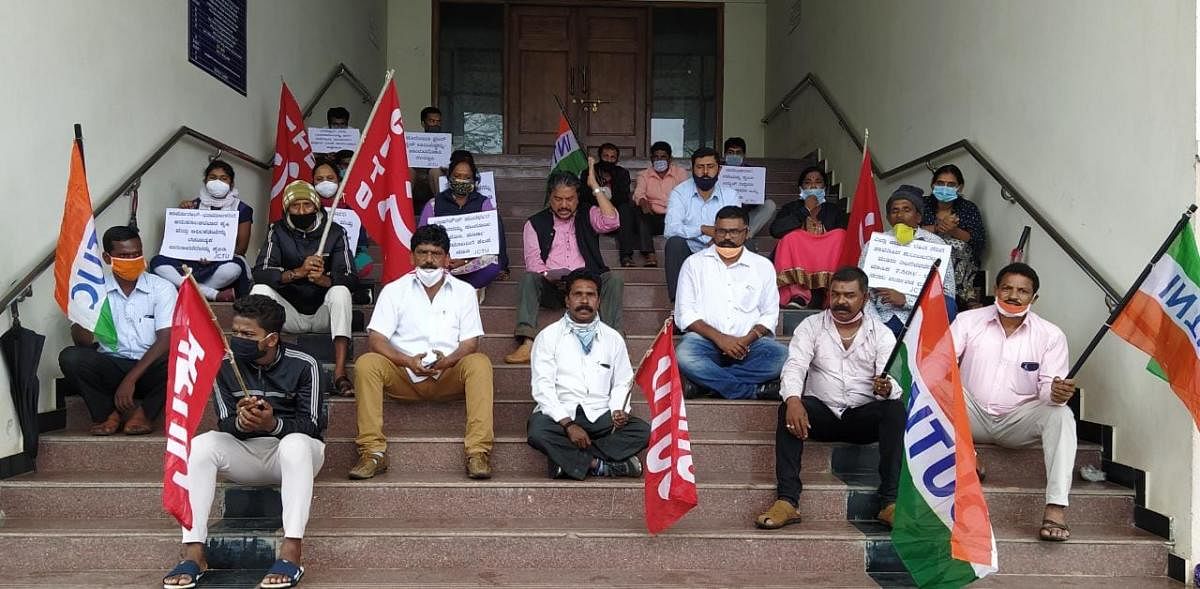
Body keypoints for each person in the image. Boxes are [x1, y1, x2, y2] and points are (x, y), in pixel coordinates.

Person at [161, 295, 326, 589]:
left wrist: (273, 424)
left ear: (272, 339)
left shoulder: (304, 364)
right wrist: (243, 422)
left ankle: (291, 552)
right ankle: (194, 551)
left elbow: (312, 425)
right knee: (201, 444)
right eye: (235, 332)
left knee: (296, 443)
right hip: (246, 453)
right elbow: (225, 422)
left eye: (248, 335)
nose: (239, 339)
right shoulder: (223, 364)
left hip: (292, 454)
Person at [755, 267, 904, 530]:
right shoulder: (811, 326)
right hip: (820, 416)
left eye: (849, 295)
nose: (841, 301)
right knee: (787, 407)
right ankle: (788, 501)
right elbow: (795, 366)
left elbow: (892, 380)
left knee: (893, 409)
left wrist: (886, 388)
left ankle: (890, 503)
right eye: (835, 294)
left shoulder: (881, 333)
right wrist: (792, 399)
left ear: (865, 299)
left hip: (862, 417)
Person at [350, 224, 495, 480]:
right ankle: (372, 452)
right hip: (403, 376)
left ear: (447, 259)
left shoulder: (465, 292)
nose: (429, 260)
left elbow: (470, 343)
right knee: (366, 363)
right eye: (422, 252)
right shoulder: (394, 290)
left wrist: (448, 361)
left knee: (480, 363)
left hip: (448, 375)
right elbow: (377, 338)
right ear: (411, 256)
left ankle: (478, 452)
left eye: (436, 253)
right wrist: (406, 360)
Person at [952, 263, 1077, 542]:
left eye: (1023, 291)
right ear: (995, 290)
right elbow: (941, 363)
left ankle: (1056, 507)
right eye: (1007, 288)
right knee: (941, 386)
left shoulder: (1051, 335)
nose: (1013, 295)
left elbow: (1047, 391)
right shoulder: (968, 321)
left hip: (1016, 422)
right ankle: (968, 456)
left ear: (1034, 299)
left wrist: (1055, 393)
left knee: (1062, 415)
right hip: (969, 417)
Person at [526, 269, 650, 479]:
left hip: (601, 415)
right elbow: (542, 388)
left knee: (643, 431)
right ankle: (599, 465)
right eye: (578, 294)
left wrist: (618, 410)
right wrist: (569, 425)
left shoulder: (613, 339)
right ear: (567, 300)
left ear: (599, 300)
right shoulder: (547, 337)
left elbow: (622, 382)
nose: (584, 300)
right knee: (537, 430)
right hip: (561, 417)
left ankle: (565, 462)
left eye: (590, 295)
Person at [59, 226, 175, 436]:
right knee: (71, 357)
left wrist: (130, 379)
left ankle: (144, 414)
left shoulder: (162, 288)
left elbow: (166, 339)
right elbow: (83, 343)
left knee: (179, 361)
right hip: (112, 365)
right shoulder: (94, 289)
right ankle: (106, 414)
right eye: (124, 256)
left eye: (137, 254)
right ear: (107, 257)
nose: (133, 260)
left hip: (151, 368)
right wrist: (82, 311)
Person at [504, 172, 624, 364]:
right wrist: (548, 275)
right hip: (553, 287)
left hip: (585, 285)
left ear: (578, 198)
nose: (564, 205)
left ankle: (613, 343)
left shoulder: (588, 213)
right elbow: (534, 262)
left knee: (613, 280)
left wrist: (594, 186)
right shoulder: (534, 223)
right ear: (549, 198)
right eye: (558, 199)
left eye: (569, 199)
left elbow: (612, 221)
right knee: (529, 279)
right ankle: (527, 342)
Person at [252, 180, 358, 397]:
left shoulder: (335, 232)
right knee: (259, 291)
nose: (302, 211)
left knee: (341, 292)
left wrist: (324, 280)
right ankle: (264, 367)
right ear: (287, 209)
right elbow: (261, 271)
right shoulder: (277, 230)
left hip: (323, 315)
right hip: (288, 315)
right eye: (295, 206)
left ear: (317, 206)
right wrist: (297, 273)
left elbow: (350, 277)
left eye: (307, 205)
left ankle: (339, 373)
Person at [674, 206, 787, 399]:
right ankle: (750, 391)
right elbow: (684, 314)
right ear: (714, 231)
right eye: (721, 231)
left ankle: (706, 385)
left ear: (746, 233)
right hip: (706, 343)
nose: (727, 237)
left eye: (734, 232)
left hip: (749, 345)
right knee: (684, 354)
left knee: (785, 357)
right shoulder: (694, 263)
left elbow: (769, 314)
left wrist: (746, 340)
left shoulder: (763, 267)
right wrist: (721, 339)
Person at [149, 159, 253, 300]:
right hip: (191, 261)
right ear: (205, 181)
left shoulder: (242, 209)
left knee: (234, 269)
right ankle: (212, 294)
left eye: (224, 179)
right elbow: (181, 241)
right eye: (213, 177)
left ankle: (187, 290)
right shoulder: (193, 205)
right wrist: (182, 213)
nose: (218, 182)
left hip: (221, 261)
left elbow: (241, 249)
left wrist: (214, 256)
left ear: (231, 183)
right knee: (157, 262)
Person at [862, 185, 957, 335]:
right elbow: (863, 292)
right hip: (885, 317)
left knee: (949, 304)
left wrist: (906, 300)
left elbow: (948, 293)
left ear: (918, 217)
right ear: (888, 218)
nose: (900, 215)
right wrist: (877, 327)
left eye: (906, 210)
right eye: (895, 210)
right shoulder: (874, 244)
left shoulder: (936, 244)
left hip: (923, 316)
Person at [419, 149, 510, 299]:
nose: (461, 180)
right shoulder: (434, 204)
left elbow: (491, 242)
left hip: (472, 263)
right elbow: (422, 238)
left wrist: (466, 260)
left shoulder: (484, 203)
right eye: (457, 176)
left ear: (474, 179)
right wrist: (445, 258)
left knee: (493, 265)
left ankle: (458, 290)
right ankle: (467, 291)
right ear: (449, 177)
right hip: (443, 263)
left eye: (467, 177)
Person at [663, 147, 741, 302]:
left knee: (745, 244)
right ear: (692, 169)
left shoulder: (730, 195)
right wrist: (703, 229)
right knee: (674, 243)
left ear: (719, 169)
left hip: (720, 249)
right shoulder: (680, 193)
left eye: (710, 166)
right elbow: (670, 229)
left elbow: (737, 228)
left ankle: (736, 302)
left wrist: (718, 239)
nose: (705, 172)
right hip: (689, 251)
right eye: (700, 167)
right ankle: (679, 305)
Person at [772, 166, 848, 308]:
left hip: (825, 257)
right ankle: (798, 294)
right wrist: (805, 210)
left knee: (840, 235)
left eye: (818, 182)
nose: (813, 186)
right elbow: (776, 231)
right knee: (792, 237)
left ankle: (832, 292)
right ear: (801, 188)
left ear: (824, 187)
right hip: (800, 257)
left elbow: (843, 238)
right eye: (808, 182)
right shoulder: (791, 208)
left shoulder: (834, 210)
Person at [920, 164, 986, 308]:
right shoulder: (921, 204)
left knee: (957, 247)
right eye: (940, 183)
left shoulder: (968, 208)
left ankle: (956, 296)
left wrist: (953, 231)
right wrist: (937, 228)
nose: (945, 188)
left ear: (960, 187)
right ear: (932, 185)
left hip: (960, 262)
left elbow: (978, 242)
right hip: (924, 256)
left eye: (951, 184)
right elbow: (908, 229)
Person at [631, 141, 688, 268]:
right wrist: (643, 202)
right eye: (656, 157)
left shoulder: (680, 173)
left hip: (675, 217)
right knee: (638, 211)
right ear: (651, 159)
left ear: (670, 159)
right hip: (654, 217)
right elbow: (639, 193)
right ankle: (650, 254)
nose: (659, 160)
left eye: (663, 157)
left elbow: (686, 194)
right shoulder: (643, 175)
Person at [588, 144, 637, 267]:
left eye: (612, 157)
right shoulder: (589, 172)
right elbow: (584, 196)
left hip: (615, 214)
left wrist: (606, 197)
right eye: (606, 156)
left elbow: (623, 196)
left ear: (617, 159)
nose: (609, 160)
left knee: (626, 209)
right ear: (600, 157)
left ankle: (626, 256)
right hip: (595, 212)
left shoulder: (622, 173)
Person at [722, 137, 776, 238]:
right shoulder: (717, 170)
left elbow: (761, 198)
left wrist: (751, 198)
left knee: (770, 205)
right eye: (730, 152)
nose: (734, 155)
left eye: (738, 153)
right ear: (725, 154)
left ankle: (747, 235)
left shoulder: (753, 173)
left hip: (745, 218)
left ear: (744, 155)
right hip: (720, 217)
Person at [411, 106, 446, 216]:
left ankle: (442, 210)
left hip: (438, 175)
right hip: (417, 177)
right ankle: (402, 208)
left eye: (438, 121)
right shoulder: (413, 142)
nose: (436, 124)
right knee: (408, 170)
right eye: (432, 121)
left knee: (435, 171)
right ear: (423, 123)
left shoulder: (447, 143)